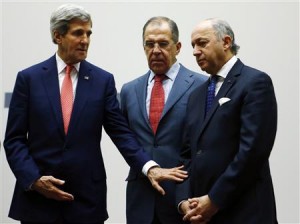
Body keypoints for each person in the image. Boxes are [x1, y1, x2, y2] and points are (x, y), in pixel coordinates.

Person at [3, 4, 188, 224]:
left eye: (88, 33)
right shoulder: (29, 79)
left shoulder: (102, 81)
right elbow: (14, 140)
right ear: (58, 36)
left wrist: (149, 168)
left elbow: (121, 133)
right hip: (38, 200)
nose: (85, 40)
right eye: (78, 33)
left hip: (85, 202)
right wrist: (33, 179)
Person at [177, 18, 278, 224]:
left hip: (245, 212)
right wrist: (182, 200)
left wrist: (214, 199)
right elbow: (187, 154)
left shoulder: (255, 82)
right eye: (193, 45)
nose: (195, 51)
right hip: (201, 214)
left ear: (226, 42)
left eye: (202, 43)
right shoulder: (196, 95)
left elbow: (253, 152)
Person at [120, 16, 207, 224]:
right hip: (140, 197)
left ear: (177, 47)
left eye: (163, 44)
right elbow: (124, 138)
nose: (156, 50)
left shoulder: (202, 85)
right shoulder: (129, 90)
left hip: (185, 197)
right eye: (149, 44)